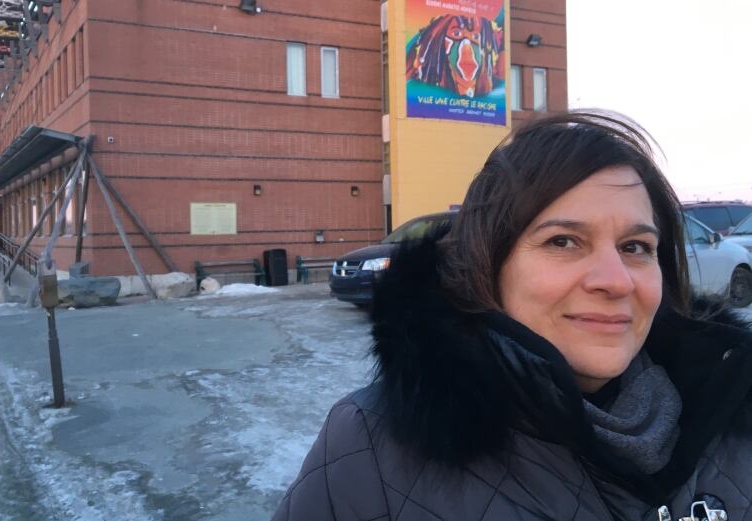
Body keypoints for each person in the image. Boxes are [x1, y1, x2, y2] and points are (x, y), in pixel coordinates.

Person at [272, 111, 752, 521]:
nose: (617, 280)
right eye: (563, 241)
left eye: (635, 247)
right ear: (490, 267)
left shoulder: (732, 415)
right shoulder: (370, 449)